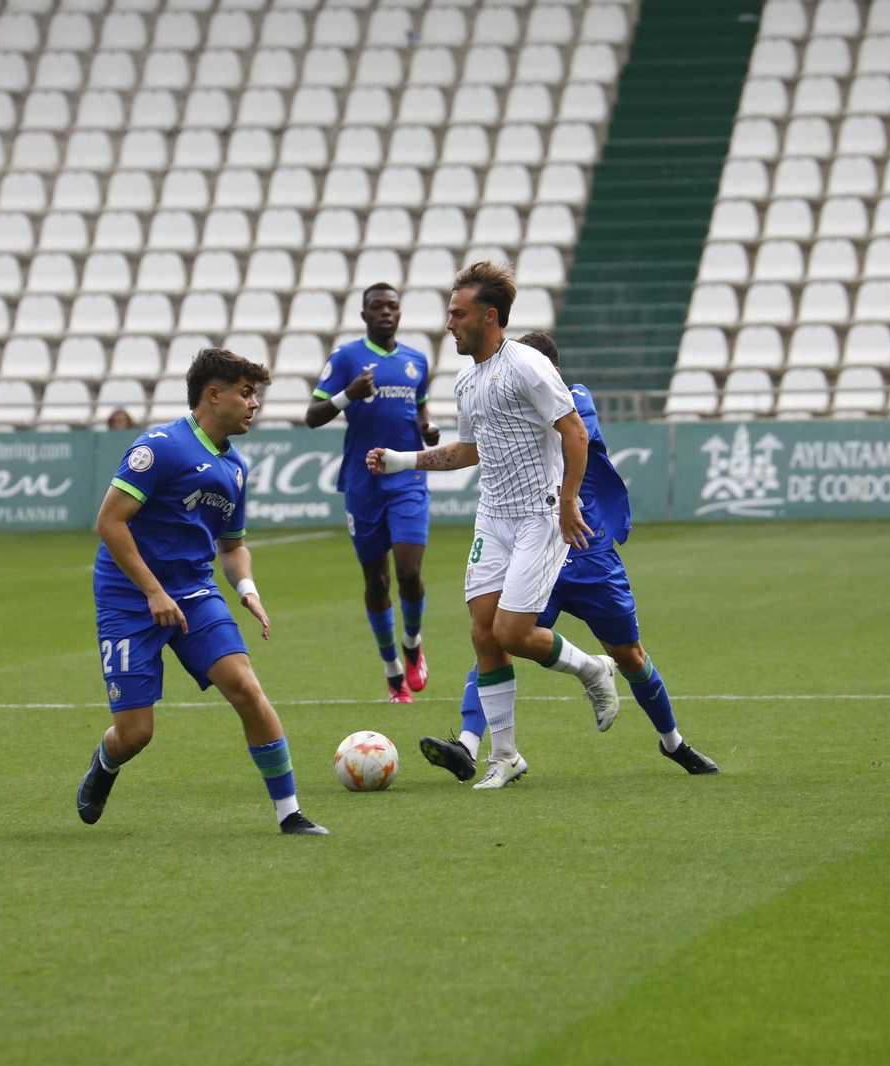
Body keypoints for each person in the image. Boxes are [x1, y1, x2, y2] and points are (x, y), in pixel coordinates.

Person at [421, 333, 720, 781]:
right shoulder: (506, 398)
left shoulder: (576, 399)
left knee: (631, 655)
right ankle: (470, 745)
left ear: (549, 374)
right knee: (498, 634)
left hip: (589, 552)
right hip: (538, 546)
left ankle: (673, 742)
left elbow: (566, 435)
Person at [367, 261, 619, 790]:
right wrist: (400, 460)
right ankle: (504, 756)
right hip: (493, 517)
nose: (450, 323)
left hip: (538, 515)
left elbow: (572, 431)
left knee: (512, 631)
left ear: (489, 315)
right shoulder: (466, 381)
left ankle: (593, 670)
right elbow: (467, 452)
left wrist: (569, 500)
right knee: (485, 635)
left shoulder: (527, 365)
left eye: (458, 314)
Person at [77, 348, 329, 835]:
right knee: (136, 734)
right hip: (129, 598)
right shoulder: (161, 447)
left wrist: (247, 588)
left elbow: (232, 547)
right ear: (214, 395)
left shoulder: (235, 468)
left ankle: (289, 814)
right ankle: (105, 763)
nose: (254, 404)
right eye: (246, 393)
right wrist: (152, 591)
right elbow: (109, 523)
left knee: (247, 690)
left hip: (193, 593)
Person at [306, 284, 440, 703]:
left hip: (408, 478)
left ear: (400, 314)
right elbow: (312, 416)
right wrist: (349, 395)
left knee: (409, 573)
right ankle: (392, 673)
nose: (386, 312)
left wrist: (426, 429)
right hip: (363, 483)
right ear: (364, 315)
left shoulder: (416, 361)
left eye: (393, 306)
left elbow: (418, 409)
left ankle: (413, 642)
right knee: (376, 578)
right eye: (377, 307)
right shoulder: (346, 358)